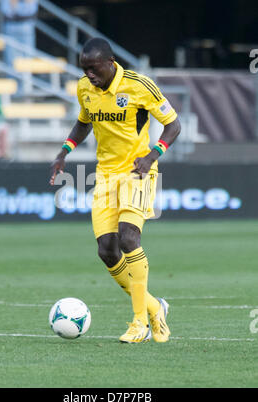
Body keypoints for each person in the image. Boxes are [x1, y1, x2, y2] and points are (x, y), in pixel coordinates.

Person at [50, 38, 181, 344]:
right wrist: (63, 152)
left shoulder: (139, 86)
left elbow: (173, 125)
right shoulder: (85, 88)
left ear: (109, 63)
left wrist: (152, 156)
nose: (88, 75)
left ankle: (140, 322)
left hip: (138, 171)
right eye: (84, 69)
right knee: (107, 250)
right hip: (105, 176)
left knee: (129, 238)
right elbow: (83, 122)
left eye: (93, 69)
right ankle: (154, 306)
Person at [0, 0, 39, 68]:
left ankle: (26, 78)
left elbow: (31, 10)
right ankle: (12, 77)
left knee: (27, 58)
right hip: (10, 27)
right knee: (10, 60)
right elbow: (6, 10)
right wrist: (14, 4)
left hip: (26, 27)